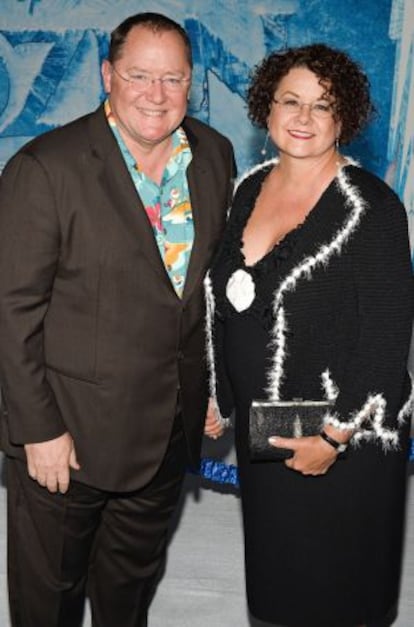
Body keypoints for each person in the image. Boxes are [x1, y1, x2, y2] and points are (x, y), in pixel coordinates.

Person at [0, 11, 235, 627]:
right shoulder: (45, 169)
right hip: (65, 441)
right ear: (108, 75)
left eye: (174, 79)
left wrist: (215, 387)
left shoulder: (214, 156)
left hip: (164, 433)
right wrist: (37, 430)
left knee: (128, 596)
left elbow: (212, 291)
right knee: (48, 600)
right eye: (139, 75)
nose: (156, 95)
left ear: (192, 82)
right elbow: (12, 309)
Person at [204, 43, 413, 627]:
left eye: (321, 106)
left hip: (346, 439)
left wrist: (335, 436)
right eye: (290, 102)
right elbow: (225, 300)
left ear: (342, 119)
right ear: (266, 111)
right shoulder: (249, 186)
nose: (302, 117)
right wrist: (219, 394)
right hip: (267, 426)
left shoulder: (372, 206)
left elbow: (386, 337)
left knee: (340, 589)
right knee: (279, 583)